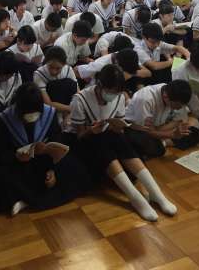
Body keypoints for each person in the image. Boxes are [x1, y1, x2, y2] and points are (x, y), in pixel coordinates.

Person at [68, 64, 176, 221]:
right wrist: (91, 130)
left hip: (108, 135)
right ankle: (135, 198)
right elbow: (79, 135)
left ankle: (156, 194)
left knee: (119, 139)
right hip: (86, 141)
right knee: (101, 140)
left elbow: (119, 125)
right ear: (100, 85)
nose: (113, 95)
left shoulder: (118, 97)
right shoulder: (80, 100)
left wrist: (119, 127)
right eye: (111, 91)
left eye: (117, 92)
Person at [0, 83, 90, 215]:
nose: (31, 116)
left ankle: (25, 200)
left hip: (45, 160)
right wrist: (16, 156)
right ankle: (28, 199)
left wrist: (52, 170)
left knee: (77, 172)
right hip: (18, 163)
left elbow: (56, 142)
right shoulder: (6, 118)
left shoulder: (49, 113)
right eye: (27, 113)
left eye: (35, 112)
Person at [125, 80, 199, 158]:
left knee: (195, 133)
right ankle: (162, 143)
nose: (179, 108)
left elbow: (179, 120)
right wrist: (172, 134)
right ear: (166, 97)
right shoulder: (145, 99)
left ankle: (163, 142)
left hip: (158, 127)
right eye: (177, 105)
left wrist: (176, 130)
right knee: (158, 149)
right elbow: (147, 131)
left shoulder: (171, 92)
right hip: (136, 129)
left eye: (182, 105)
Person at [34, 46, 78, 127]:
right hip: (52, 108)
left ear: (64, 64)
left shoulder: (68, 69)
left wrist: (69, 114)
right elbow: (47, 103)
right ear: (46, 62)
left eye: (58, 68)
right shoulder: (39, 74)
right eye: (50, 67)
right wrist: (71, 109)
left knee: (70, 83)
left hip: (69, 106)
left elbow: (77, 94)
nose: (53, 72)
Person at [76, 47, 151, 92]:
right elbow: (75, 71)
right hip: (99, 90)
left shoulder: (129, 57)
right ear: (117, 64)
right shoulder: (100, 65)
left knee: (138, 80)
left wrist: (131, 74)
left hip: (119, 89)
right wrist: (85, 78)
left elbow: (148, 73)